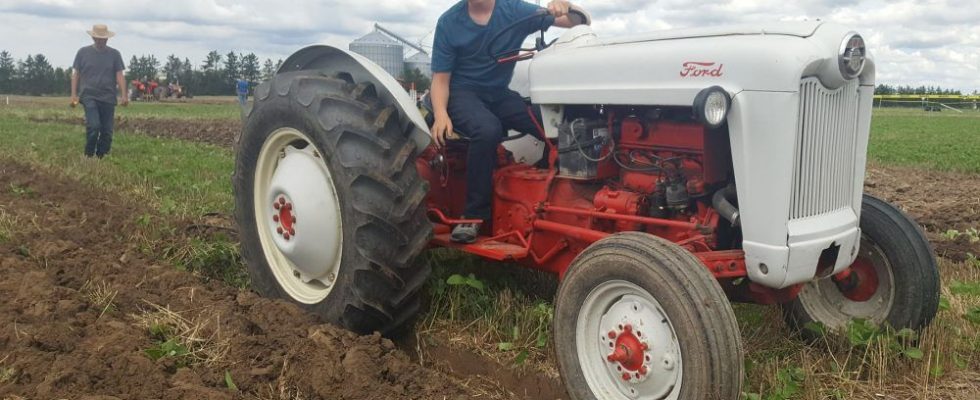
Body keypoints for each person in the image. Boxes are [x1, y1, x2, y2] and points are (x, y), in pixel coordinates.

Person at [429, 0, 589, 243]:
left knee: (552, 123)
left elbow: (579, 22)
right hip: (462, 92)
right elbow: (441, 80)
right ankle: (473, 215)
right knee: (487, 129)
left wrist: (566, 6)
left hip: (498, 92)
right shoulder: (450, 22)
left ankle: (550, 189)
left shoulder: (514, 10)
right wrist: (440, 114)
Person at [71, 23, 128, 158]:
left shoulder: (115, 54)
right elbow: (76, 74)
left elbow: (119, 75)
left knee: (107, 131)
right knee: (94, 126)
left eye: (105, 39)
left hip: (108, 96)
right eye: (99, 38)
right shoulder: (83, 53)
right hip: (88, 95)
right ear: (93, 38)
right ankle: (88, 155)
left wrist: (124, 95)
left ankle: (102, 156)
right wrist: (73, 95)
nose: (102, 41)